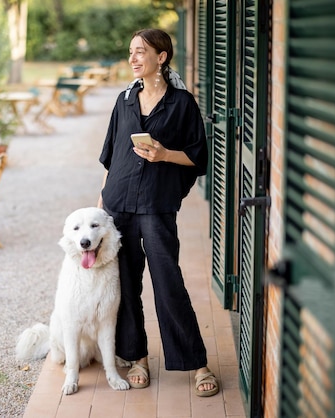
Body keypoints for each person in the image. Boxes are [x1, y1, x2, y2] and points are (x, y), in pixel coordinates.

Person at [97, 28, 219, 397]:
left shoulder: (182, 104)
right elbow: (113, 153)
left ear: (161, 57)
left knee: (168, 282)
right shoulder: (125, 100)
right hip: (119, 203)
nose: (133, 58)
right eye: (131, 52)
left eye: (141, 52)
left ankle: (197, 363)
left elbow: (198, 157)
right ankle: (136, 357)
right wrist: (102, 201)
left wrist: (165, 154)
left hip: (157, 205)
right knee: (126, 281)